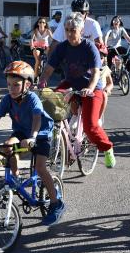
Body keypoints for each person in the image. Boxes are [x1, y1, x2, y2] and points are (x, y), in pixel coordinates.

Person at [0, 61, 65, 225]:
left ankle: (56, 203)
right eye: (9, 85)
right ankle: (16, 177)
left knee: (40, 168)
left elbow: (37, 118)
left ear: (27, 84)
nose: (11, 88)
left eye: (16, 85)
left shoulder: (33, 99)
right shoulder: (7, 99)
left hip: (40, 133)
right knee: (7, 145)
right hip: (21, 132)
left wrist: (33, 137)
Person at [38, 12, 116, 168]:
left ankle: (107, 148)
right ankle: (60, 137)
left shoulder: (89, 47)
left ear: (81, 30)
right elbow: (48, 69)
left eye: (73, 30)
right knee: (48, 99)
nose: (69, 33)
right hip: (71, 84)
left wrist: (90, 88)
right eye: (67, 29)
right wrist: (42, 82)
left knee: (90, 126)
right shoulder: (62, 47)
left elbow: (95, 73)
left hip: (91, 88)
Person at [98, 45, 114, 126]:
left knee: (104, 95)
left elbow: (110, 83)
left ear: (104, 59)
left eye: (101, 58)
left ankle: (99, 118)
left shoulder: (105, 69)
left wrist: (107, 89)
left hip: (100, 92)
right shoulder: (87, 67)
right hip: (88, 91)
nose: (98, 60)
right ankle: (75, 115)